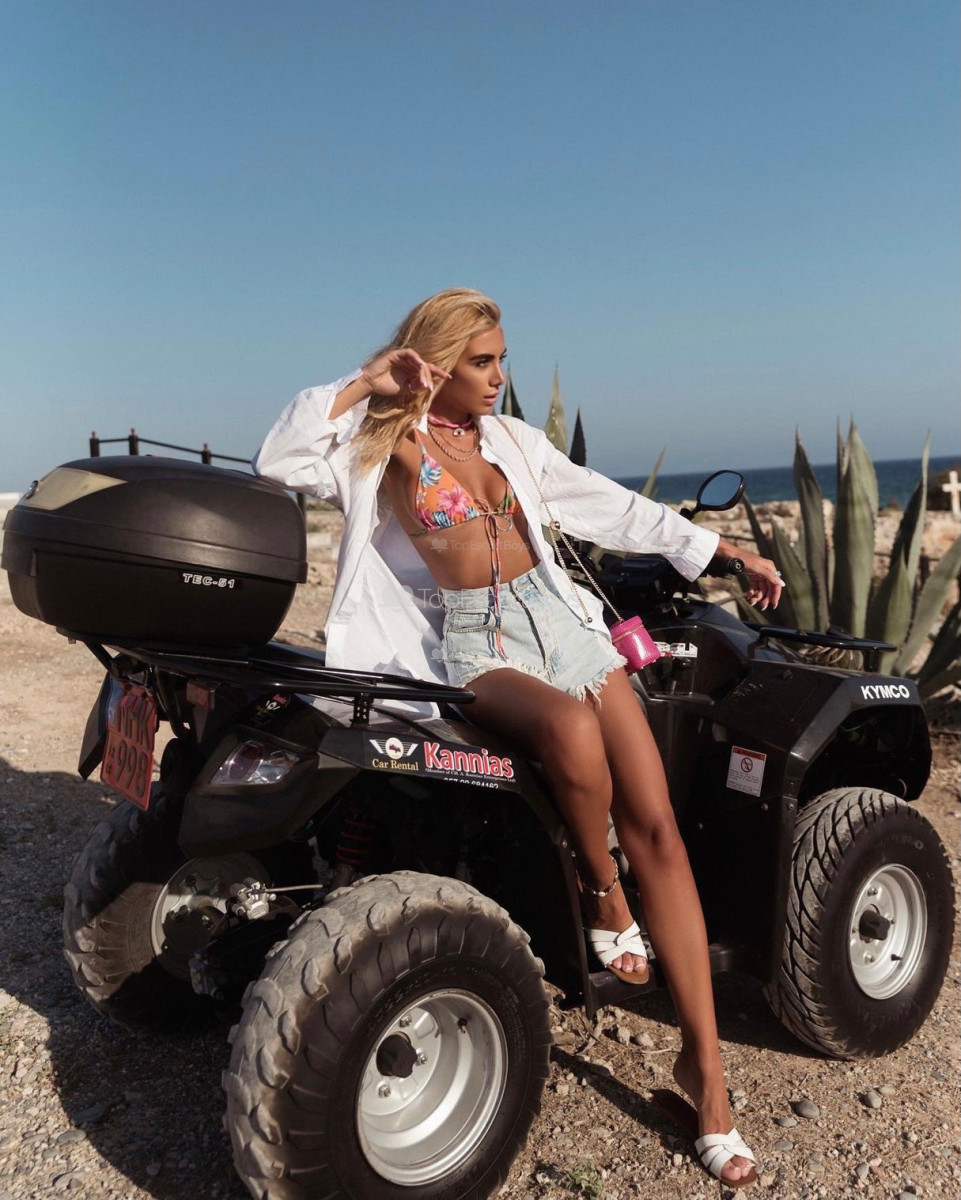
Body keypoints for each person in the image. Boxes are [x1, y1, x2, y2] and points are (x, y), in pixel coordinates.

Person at [254, 287, 782, 1188]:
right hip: (475, 640)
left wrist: (719, 552)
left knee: (656, 822)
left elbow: (610, 506)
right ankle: (601, 893)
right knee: (568, 730)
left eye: (501, 359)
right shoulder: (382, 442)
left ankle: (707, 1076)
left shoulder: (509, 442)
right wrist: (369, 380)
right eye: (481, 361)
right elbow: (279, 460)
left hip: (561, 625)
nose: (498, 377)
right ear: (434, 362)